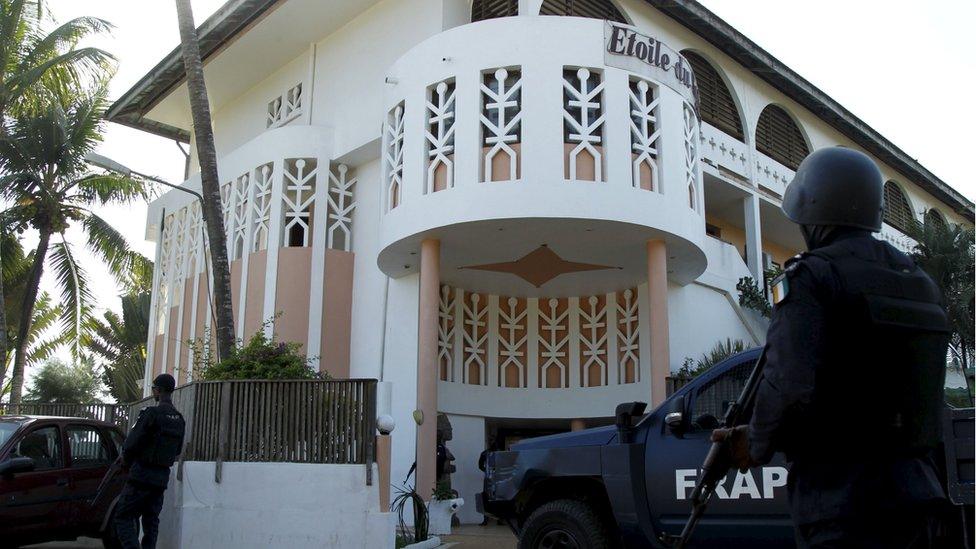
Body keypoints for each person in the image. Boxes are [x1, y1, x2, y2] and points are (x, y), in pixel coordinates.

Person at [713, 147, 951, 549]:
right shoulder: (920, 282)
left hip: (844, 505)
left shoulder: (809, 277)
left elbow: (786, 384)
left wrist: (753, 443)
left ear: (812, 211)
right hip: (921, 498)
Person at [115, 373, 186, 549]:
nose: (153, 392)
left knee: (122, 516)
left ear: (159, 390)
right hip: (161, 478)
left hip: (141, 475)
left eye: (154, 389)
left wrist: (126, 461)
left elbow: (131, 444)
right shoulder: (179, 419)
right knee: (151, 522)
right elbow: (177, 450)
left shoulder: (151, 413)